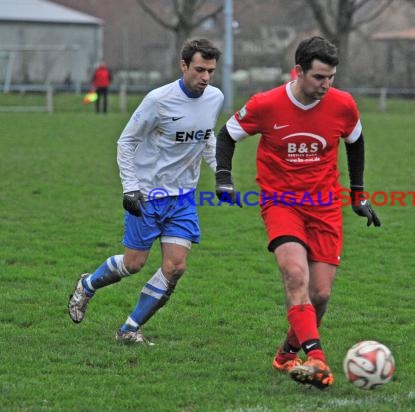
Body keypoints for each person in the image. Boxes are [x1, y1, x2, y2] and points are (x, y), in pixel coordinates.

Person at [214, 36, 381, 389]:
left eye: (331, 77)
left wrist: (358, 195)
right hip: (281, 203)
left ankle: (287, 352)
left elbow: (356, 143)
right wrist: (224, 179)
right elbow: (226, 136)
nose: (326, 85)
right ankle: (317, 359)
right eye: (319, 77)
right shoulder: (267, 104)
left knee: (320, 295)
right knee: (294, 275)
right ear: (299, 71)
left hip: (324, 206)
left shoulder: (343, 105)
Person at [68, 39, 224, 344]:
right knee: (133, 264)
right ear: (183, 66)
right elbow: (125, 142)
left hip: (182, 198)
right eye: (199, 69)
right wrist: (131, 189)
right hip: (148, 195)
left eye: (211, 71)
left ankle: (129, 329)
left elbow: (206, 138)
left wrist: (221, 172)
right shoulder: (159, 100)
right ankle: (87, 284)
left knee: (176, 266)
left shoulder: (214, 98)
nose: (205, 77)